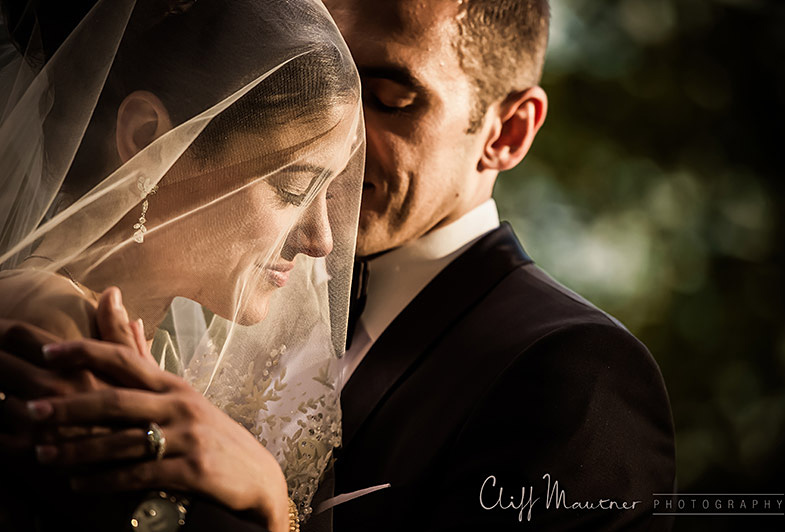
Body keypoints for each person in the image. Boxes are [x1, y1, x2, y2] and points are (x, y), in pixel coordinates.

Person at [1, 0, 677, 531]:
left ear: (507, 131)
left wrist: (273, 507)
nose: (341, 135)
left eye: (386, 99)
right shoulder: (163, 302)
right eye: (300, 75)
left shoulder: (574, 376)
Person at [0, 0, 364, 531]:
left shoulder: (149, 346)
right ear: (148, 138)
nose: (321, 241)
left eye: (328, 193)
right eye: (292, 188)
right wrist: (267, 490)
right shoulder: (60, 334)